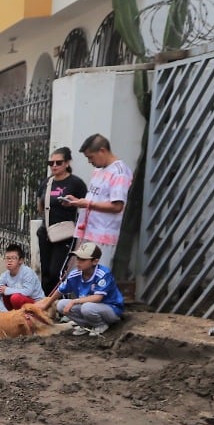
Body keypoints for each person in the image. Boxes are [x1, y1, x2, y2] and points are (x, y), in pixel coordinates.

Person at [66, 134, 132, 265]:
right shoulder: (98, 170)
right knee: (80, 276)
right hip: (86, 232)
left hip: (102, 236)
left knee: (96, 278)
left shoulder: (119, 171)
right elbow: (95, 198)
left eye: (91, 157)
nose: (90, 161)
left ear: (102, 150)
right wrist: (78, 202)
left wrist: (87, 204)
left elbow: (117, 206)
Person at [39, 240, 125, 335]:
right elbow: (60, 291)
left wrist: (74, 301)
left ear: (95, 261)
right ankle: (86, 326)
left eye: (83, 259)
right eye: (78, 258)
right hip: (90, 308)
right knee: (61, 305)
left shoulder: (103, 274)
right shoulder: (75, 274)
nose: (78, 262)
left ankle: (100, 325)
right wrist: (46, 305)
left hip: (111, 309)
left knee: (87, 307)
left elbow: (98, 297)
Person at [37, 147, 88, 287]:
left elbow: (86, 205)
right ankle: (46, 304)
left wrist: (72, 204)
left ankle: (57, 302)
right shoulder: (47, 182)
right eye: (51, 163)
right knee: (46, 271)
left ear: (67, 163)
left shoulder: (76, 183)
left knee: (56, 272)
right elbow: (40, 205)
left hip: (65, 233)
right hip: (46, 232)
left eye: (58, 162)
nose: (54, 166)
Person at [0, 243, 45, 311]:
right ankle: (12, 317)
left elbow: (28, 292)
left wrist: (8, 290)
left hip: (37, 305)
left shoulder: (27, 272)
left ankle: (24, 318)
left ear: (21, 261)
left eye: (13, 258)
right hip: (20, 305)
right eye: (7, 258)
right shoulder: (4, 275)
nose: (9, 260)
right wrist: (5, 313)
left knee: (15, 297)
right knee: (4, 293)